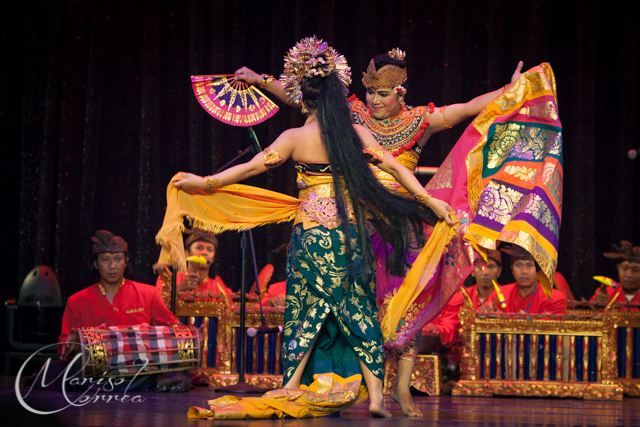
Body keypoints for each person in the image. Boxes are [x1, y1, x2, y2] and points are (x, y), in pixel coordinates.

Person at [164, 37, 455, 419]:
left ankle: (289, 386)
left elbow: (250, 168)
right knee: (360, 311)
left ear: (304, 100)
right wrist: (429, 200)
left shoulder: (294, 138)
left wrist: (204, 182)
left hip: (312, 239)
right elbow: (397, 168)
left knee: (305, 311)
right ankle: (377, 399)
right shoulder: (356, 135)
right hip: (350, 238)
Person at [234, 50, 528, 416]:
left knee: (403, 307)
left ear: (401, 93)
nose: (373, 100)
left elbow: (467, 107)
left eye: (382, 94)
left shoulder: (422, 121)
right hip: (358, 225)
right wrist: (260, 80)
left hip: (401, 229)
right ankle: (342, 385)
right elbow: (305, 98)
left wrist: (509, 90)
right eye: (370, 92)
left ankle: (400, 389)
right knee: (358, 308)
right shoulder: (353, 116)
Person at [56, 230, 189, 392]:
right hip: (97, 374)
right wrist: (71, 345)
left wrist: (193, 337)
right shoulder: (77, 301)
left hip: (138, 372)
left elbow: (174, 329)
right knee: (61, 373)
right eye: (105, 260)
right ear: (96, 264)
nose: (112, 266)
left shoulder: (149, 294)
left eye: (118, 259)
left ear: (126, 261)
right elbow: (64, 345)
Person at [480, 245, 566, 315]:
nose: (524, 271)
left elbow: (547, 329)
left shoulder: (555, 298)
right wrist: (484, 313)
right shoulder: (499, 294)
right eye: (518, 265)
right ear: (512, 268)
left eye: (529, 265)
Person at [155, 228, 232, 303]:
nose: (205, 252)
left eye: (209, 249)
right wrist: (179, 289)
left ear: (213, 258)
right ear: (186, 254)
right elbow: (156, 306)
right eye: (199, 248)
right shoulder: (168, 280)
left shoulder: (220, 289)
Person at [591, 241, 640, 309]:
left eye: (636, 270)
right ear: (618, 268)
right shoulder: (607, 293)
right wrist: (595, 308)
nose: (629, 275)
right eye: (625, 268)